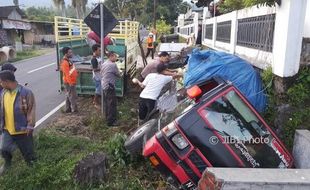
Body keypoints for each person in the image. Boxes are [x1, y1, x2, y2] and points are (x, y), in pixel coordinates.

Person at [0, 71, 36, 175]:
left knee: (28, 154)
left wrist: (30, 125)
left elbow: (31, 109)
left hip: (23, 130)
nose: (0, 84)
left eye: (1, 82)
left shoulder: (26, 93)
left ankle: (34, 170)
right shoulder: (3, 93)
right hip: (8, 129)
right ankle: (7, 164)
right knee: (4, 149)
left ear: (7, 81)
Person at [100, 51, 121, 126]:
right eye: (115, 56)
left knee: (108, 103)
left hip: (104, 85)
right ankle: (111, 122)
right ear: (111, 56)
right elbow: (118, 75)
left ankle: (107, 118)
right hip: (110, 86)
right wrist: (120, 73)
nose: (116, 58)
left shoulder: (104, 63)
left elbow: (101, 73)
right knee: (112, 104)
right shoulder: (113, 65)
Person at [61, 47, 78, 113]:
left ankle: (68, 109)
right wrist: (70, 83)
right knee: (72, 96)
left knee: (69, 95)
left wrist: (76, 74)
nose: (72, 53)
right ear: (66, 54)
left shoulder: (69, 60)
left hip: (70, 81)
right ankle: (74, 110)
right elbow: (67, 74)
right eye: (70, 52)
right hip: (69, 82)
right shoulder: (65, 62)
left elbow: (71, 70)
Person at [91, 44, 102, 108]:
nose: (100, 52)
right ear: (95, 51)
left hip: (100, 76)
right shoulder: (94, 59)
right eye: (99, 50)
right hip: (97, 77)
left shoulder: (98, 57)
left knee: (99, 89)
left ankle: (97, 101)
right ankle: (95, 102)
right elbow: (94, 69)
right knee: (98, 90)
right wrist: (102, 68)